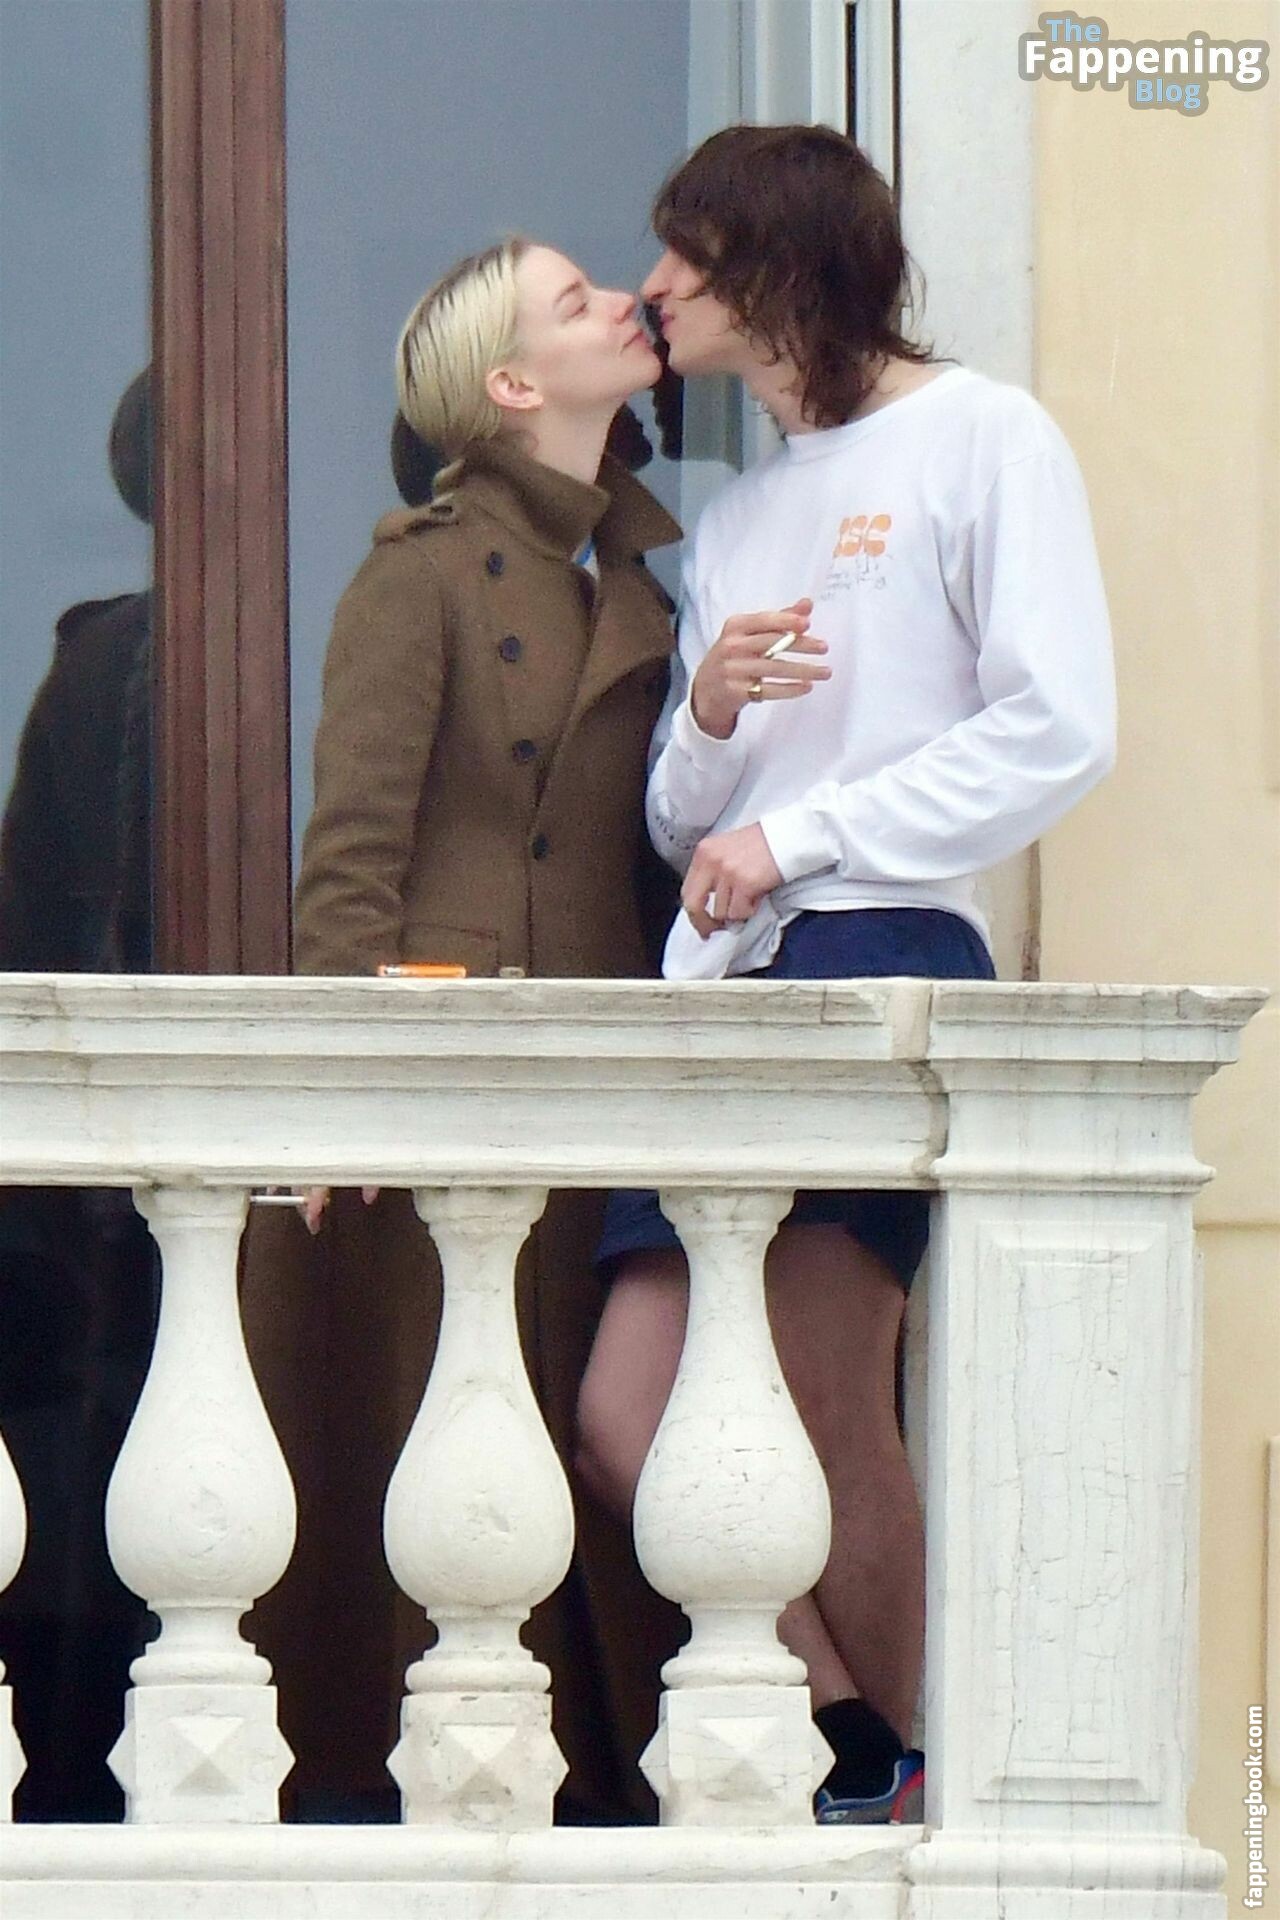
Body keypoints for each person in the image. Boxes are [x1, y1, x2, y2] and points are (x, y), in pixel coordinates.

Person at [575, 124, 1116, 1824]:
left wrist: (803, 833)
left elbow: (1061, 728)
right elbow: (686, 823)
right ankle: (860, 1741)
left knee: (825, 1396)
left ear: (782, 264)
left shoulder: (985, 438)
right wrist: (710, 717)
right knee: (624, 1410)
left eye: (687, 255)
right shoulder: (740, 517)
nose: (656, 288)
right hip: (723, 977)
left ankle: (920, 1795)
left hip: (883, 941)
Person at [241, 237, 685, 1821]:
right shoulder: (420, 573)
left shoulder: (643, 575)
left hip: (608, 1078)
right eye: (576, 301)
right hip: (447, 1096)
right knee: (447, 1458)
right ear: (509, 385)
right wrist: (345, 1100)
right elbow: (349, 864)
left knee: (590, 1449)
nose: (620, 302)